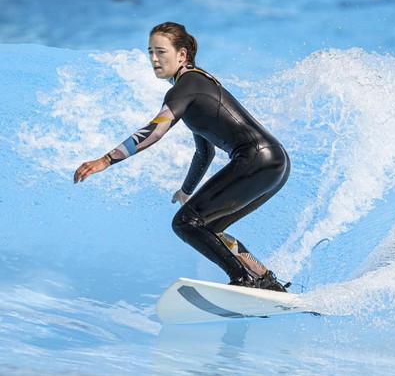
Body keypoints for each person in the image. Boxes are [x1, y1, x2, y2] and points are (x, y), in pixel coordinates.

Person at [73, 22, 290, 292]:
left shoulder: (186, 86)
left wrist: (105, 160)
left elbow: (154, 130)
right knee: (211, 228)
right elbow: (205, 151)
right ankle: (266, 279)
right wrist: (186, 191)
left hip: (256, 158)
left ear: (182, 55)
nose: (153, 58)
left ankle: (242, 278)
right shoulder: (199, 86)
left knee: (185, 223)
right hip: (275, 162)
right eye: (150, 51)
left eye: (161, 51)